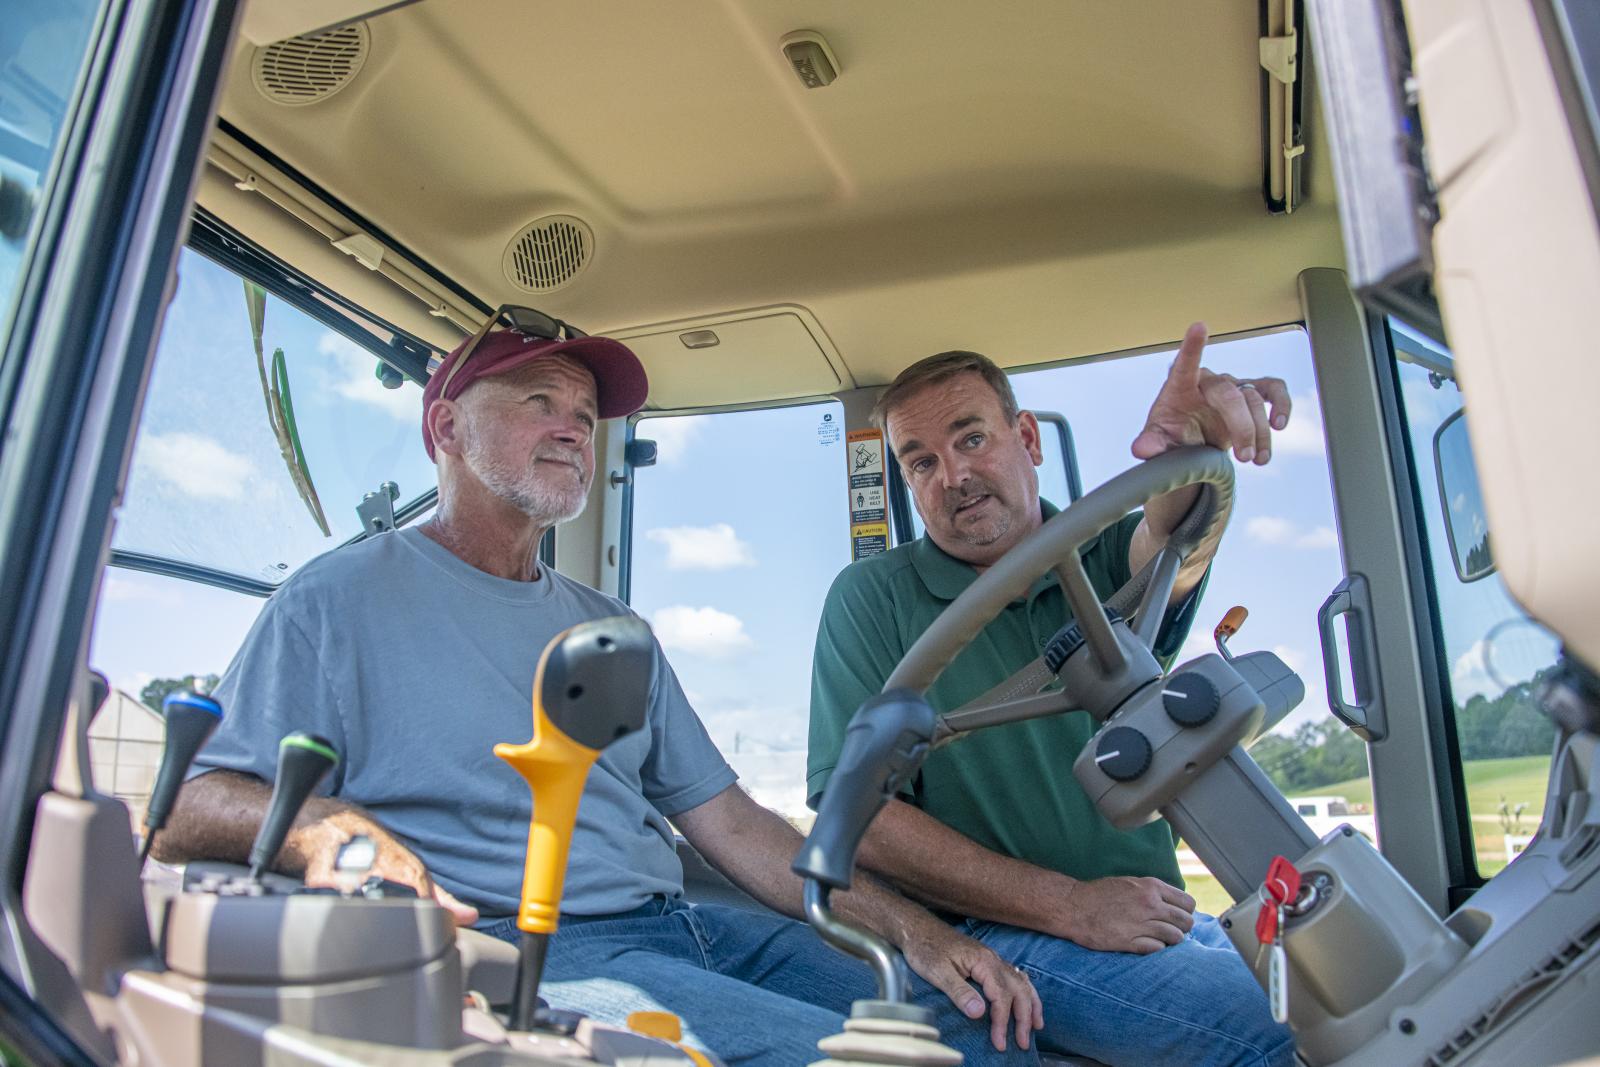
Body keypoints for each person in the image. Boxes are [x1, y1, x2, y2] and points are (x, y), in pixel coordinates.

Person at [153, 313, 1043, 1065]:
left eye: (584, 412)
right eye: (538, 401)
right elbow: (192, 802)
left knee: (987, 1031)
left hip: (688, 926)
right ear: (445, 430)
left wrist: (915, 930)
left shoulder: (616, 630)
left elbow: (734, 826)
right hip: (521, 943)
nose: (575, 427)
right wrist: (323, 829)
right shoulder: (337, 599)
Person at [807, 324, 1298, 1067]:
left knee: (1344, 982)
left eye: (972, 440)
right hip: (999, 931)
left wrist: (1189, 458)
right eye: (921, 461)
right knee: (1277, 1033)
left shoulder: (1098, 557)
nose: (952, 476)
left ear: (1028, 438)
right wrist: (1071, 905)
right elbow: (860, 819)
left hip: (1150, 910)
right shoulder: (873, 599)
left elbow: (1170, 538)